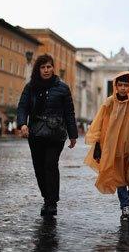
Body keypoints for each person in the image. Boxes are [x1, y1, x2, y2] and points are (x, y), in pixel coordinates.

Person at [84, 71, 129, 221]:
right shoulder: (109, 103)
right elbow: (100, 125)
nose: (122, 88)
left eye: (125, 85)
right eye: (120, 85)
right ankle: (125, 206)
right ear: (115, 86)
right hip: (114, 148)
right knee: (119, 178)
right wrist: (97, 147)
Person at [17, 54, 78, 216]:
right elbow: (22, 107)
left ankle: (52, 203)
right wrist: (22, 124)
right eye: (43, 67)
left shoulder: (63, 88)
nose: (46, 70)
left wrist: (73, 135)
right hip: (36, 133)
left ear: (53, 68)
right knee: (39, 168)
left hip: (56, 134)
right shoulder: (30, 87)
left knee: (50, 165)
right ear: (38, 69)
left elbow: (69, 113)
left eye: (49, 66)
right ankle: (47, 198)